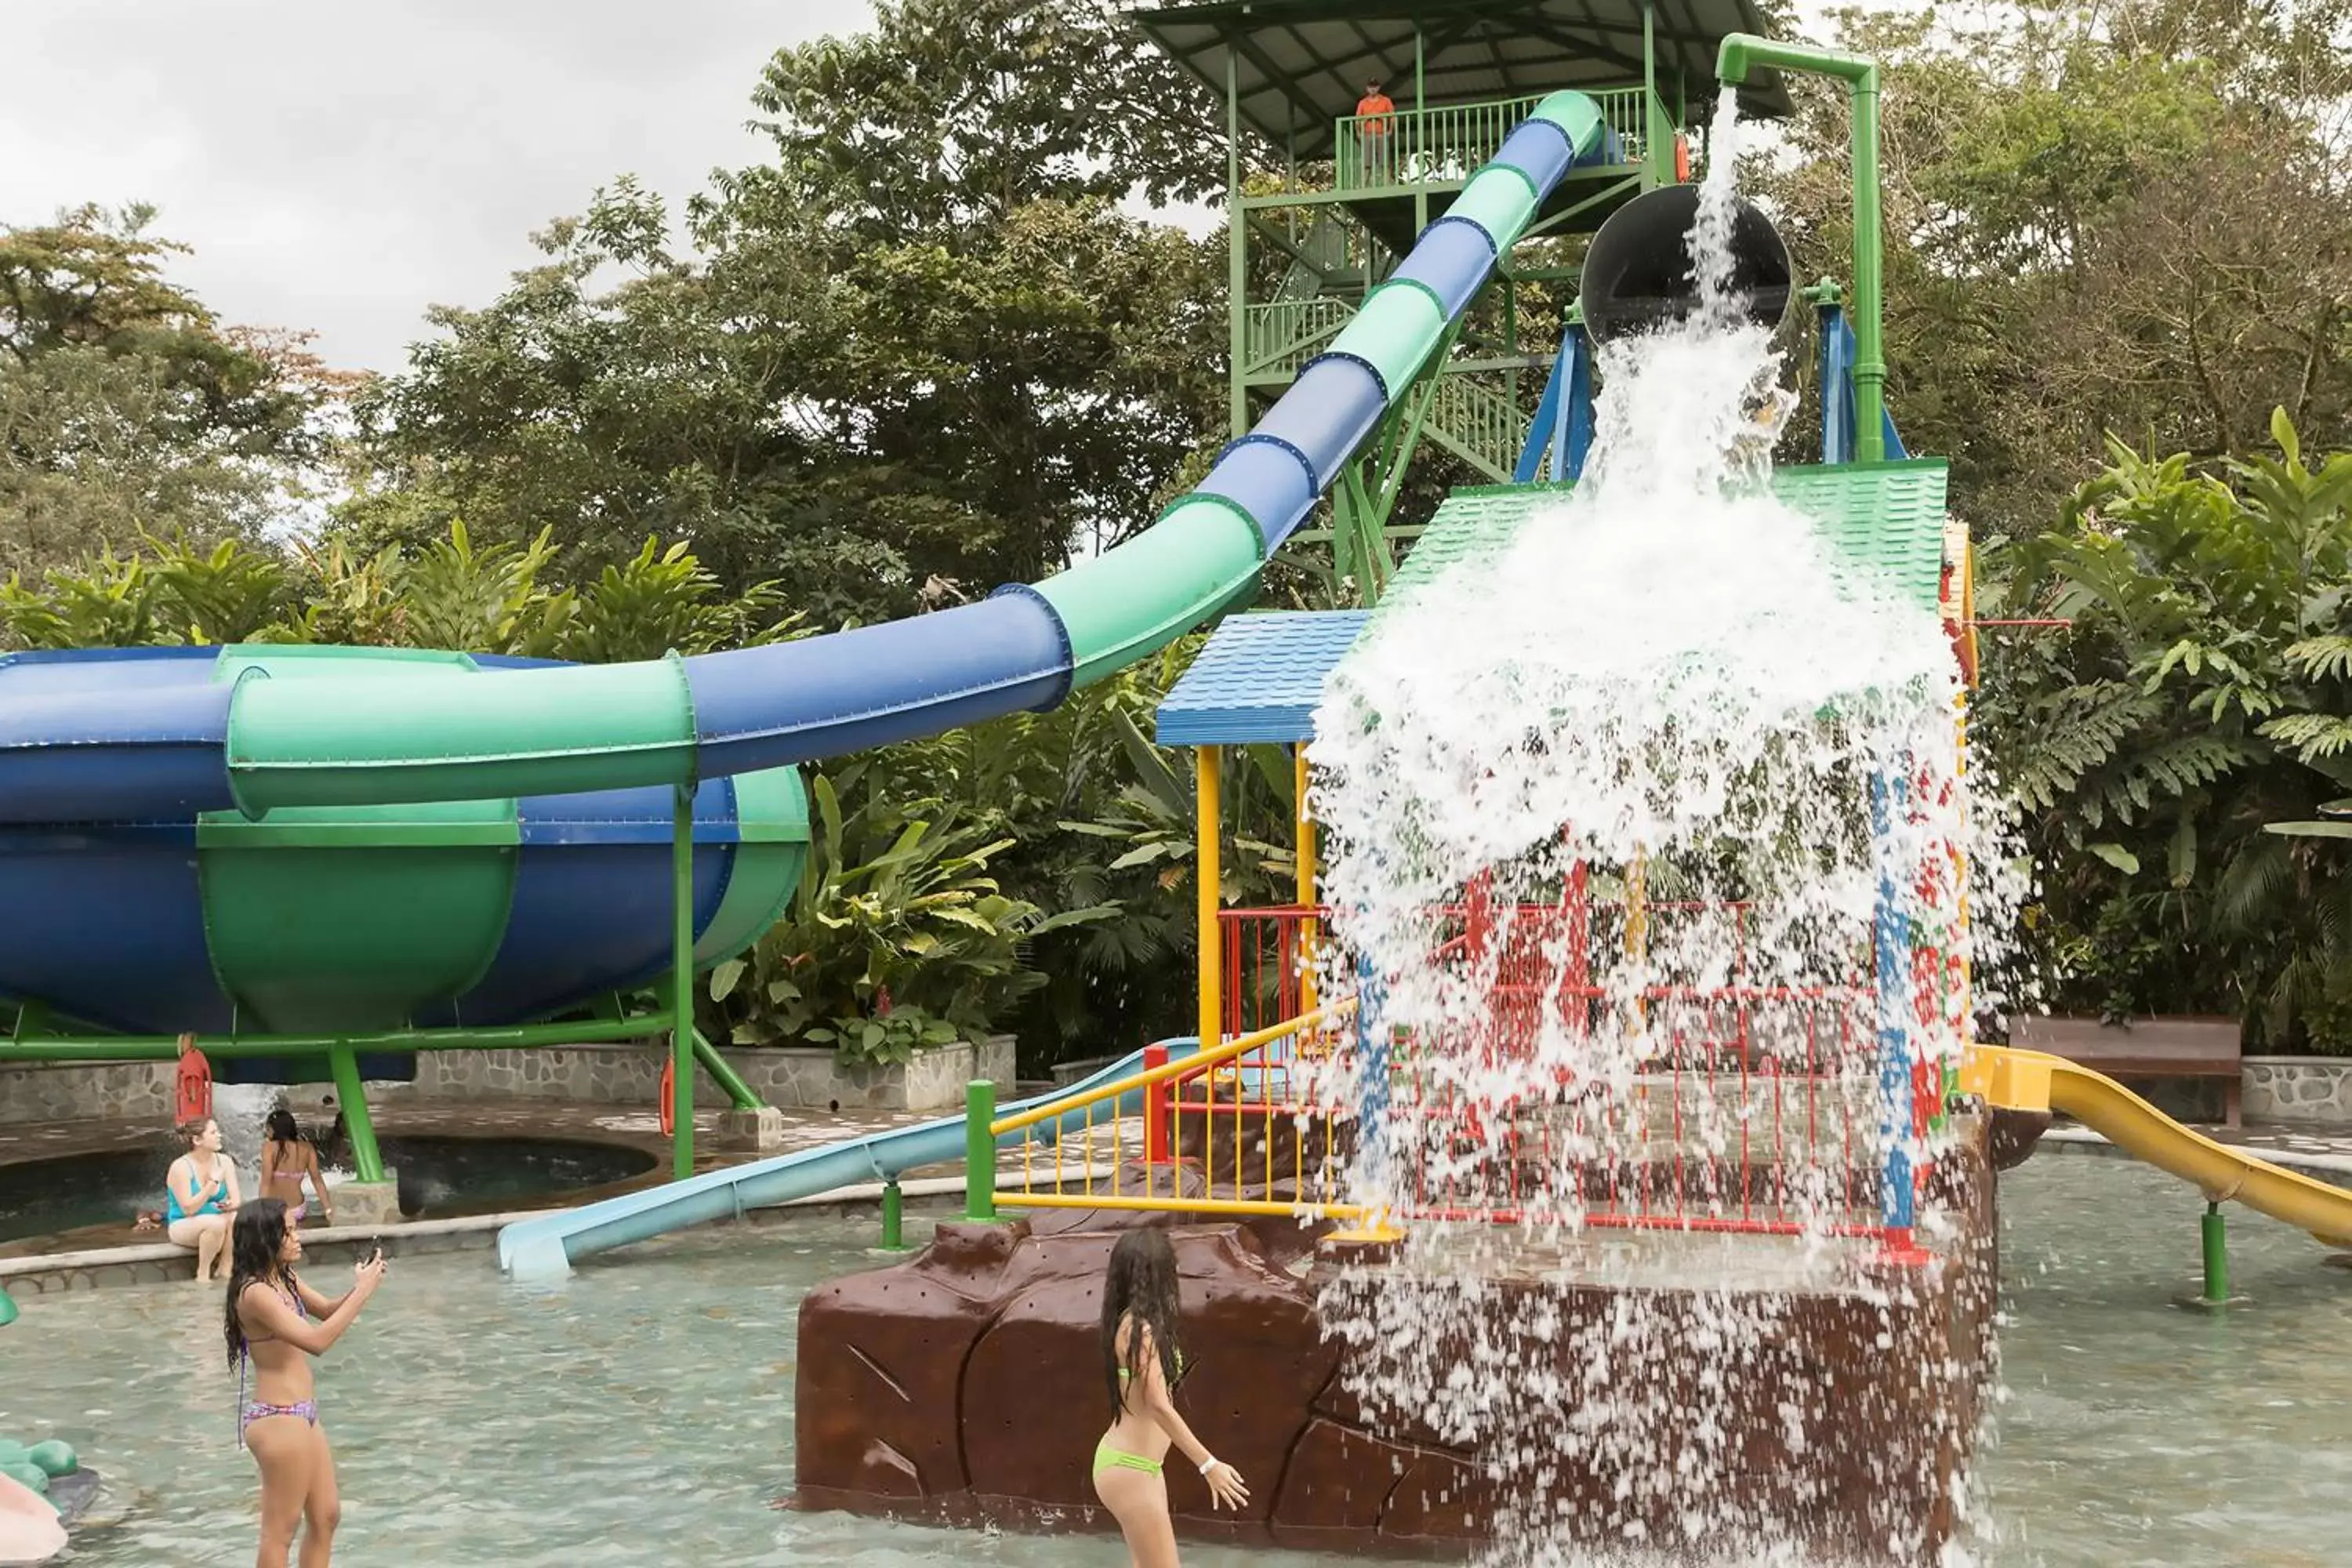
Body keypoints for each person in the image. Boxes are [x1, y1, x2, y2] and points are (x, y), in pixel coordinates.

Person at [225, 1199, 387, 1568]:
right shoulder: (254, 1293)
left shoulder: (284, 1278)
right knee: (280, 1530)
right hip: (278, 1418)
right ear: (266, 1238)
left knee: (327, 1516)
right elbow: (317, 1342)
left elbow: (329, 1310)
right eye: (289, 1231)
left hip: (303, 1415)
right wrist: (363, 1292)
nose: (299, 1238)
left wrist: (363, 1283)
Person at [1092, 1229, 1248, 1566]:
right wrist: (1208, 1465)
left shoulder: (1136, 1324)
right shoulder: (1138, 1330)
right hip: (1129, 1468)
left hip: (1143, 1467)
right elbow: (1159, 1406)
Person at [165, 1117, 240, 1281]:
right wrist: (211, 1184)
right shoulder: (181, 1167)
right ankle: (203, 1274)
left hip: (216, 1220)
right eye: (213, 1133)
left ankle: (225, 1268)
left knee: (237, 1218)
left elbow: (236, 1201)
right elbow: (188, 1209)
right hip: (183, 1223)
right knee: (216, 1223)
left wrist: (228, 1205)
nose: (219, 1136)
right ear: (197, 1140)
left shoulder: (225, 1161)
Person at [262, 1108, 335, 1228]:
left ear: (274, 1129)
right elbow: (317, 1180)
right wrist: (328, 1208)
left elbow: (266, 1182)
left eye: (268, 1129)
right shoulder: (306, 1148)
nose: (267, 1132)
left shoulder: (269, 1147)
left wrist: (261, 1209)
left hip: (273, 1210)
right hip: (297, 1209)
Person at [1355, 77, 1395, 184]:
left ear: (1378, 88)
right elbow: (1357, 119)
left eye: (1375, 87)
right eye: (1370, 87)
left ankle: (1387, 182)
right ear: (1367, 88)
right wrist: (1358, 132)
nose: (1373, 89)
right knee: (1367, 161)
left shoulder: (1385, 100)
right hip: (1367, 134)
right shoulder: (1363, 103)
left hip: (1381, 133)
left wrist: (1390, 130)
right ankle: (1364, 183)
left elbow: (1392, 116)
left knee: (1384, 160)